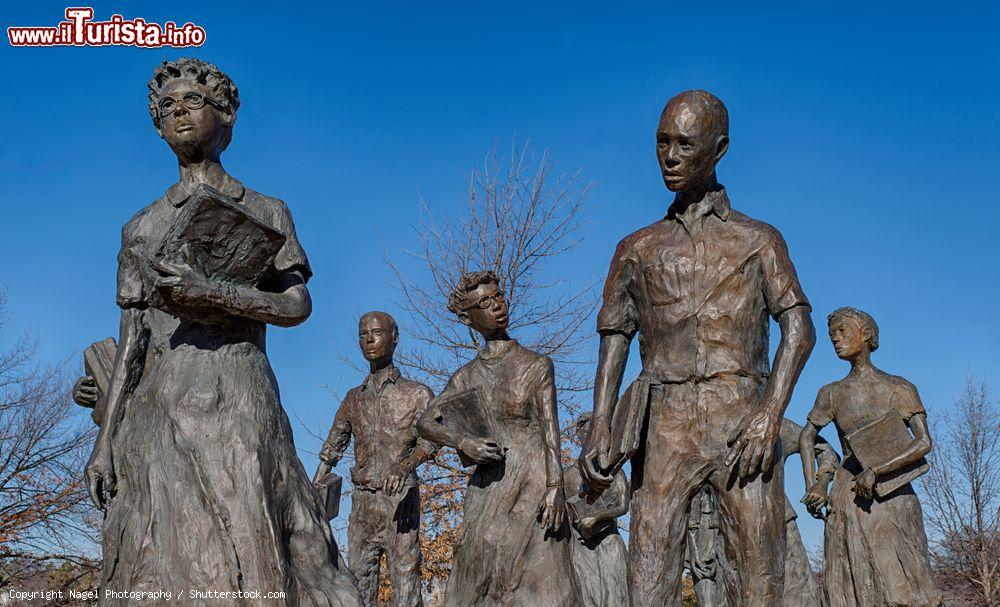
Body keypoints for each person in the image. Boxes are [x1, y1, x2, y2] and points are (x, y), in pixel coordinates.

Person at [83, 57, 360, 606]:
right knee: (157, 550)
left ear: (226, 116)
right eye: (166, 107)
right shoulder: (140, 226)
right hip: (159, 412)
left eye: (192, 102)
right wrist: (102, 443)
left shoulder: (265, 210)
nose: (178, 113)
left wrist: (214, 294)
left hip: (238, 399)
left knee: (250, 537)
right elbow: (132, 339)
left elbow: (297, 305)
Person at [578, 90, 816, 606]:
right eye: (662, 142)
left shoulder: (759, 239)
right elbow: (614, 336)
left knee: (759, 576)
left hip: (742, 419)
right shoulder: (636, 248)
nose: (670, 156)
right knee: (648, 574)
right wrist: (600, 424)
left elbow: (799, 327)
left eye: (685, 144)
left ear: (719, 148)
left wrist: (771, 415)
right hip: (664, 421)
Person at [417, 271, 581, 607]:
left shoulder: (535, 365)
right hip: (489, 491)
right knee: (479, 579)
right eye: (484, 303)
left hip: (534, 485)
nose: (497, 306)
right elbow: (425, 423)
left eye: (499, 296)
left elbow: (552, 433)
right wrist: (462, 441)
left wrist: (556, 489)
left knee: (546, 584)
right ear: (467, 318)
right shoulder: (464, 377)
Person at [800, 307, 942, 607]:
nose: (835, 340)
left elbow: (923, 442)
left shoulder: (898, 387)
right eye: (831, 336)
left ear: (866, 334)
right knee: (851, 583)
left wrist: (876, 470)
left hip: (893, 496)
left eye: (842, 331)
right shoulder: (831, 393)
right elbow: (806, 436)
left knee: (905, 584)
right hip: (849, 496)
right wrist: (815, 485)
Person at [314, 311, 436, 607]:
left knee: (406, 582)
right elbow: (334, 445)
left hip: (401, 502)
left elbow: (433, 439)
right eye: (362, 334)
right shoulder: (353, 398)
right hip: (363, 504)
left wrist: (406, 466)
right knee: (359, 582)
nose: (368, 339)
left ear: (394, 338)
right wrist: (315, 486)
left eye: (377, 332)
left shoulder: (417, 394)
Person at [685, 417, 839, 607]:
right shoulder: (697, 424)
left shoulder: (770, 423)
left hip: (777, 529)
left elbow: (826, 451)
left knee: (798, 598)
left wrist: (819, 483)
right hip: (719, 533)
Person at [563, 414, 629, 607]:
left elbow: (623, 506)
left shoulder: (613, 470)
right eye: (586, 434)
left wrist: (596, 517)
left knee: (616, 595)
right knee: (586, 594)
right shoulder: (567, 475)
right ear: (579, 437)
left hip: (609, 539)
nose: (591, 439)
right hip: (581, 543)